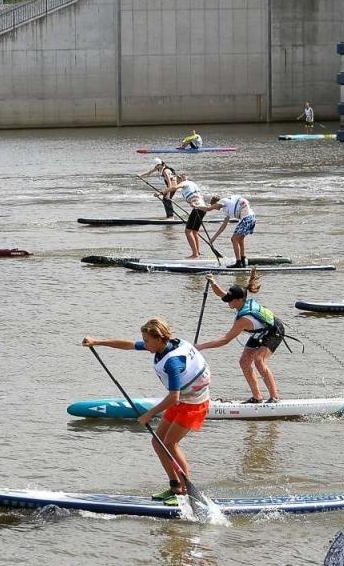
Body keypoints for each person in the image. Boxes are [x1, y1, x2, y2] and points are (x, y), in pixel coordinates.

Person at [81, 319, 210, 503]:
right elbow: (129, 345)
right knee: (158, 442)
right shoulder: (162, 346)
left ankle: (187, 493)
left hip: (194, 404)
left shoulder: (172, 362)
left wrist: (148, 415)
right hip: (183, 400)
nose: (144, 343)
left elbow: (173, 397)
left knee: (170, 444)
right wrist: (97, 342)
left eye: (147, 340)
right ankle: (175, 487)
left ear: (159, 338)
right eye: (144, 340)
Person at [196, 272, 283, 403]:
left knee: (259, 360)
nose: (228, 301)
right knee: (244, 362)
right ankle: (257, 397)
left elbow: (225, 340)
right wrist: (213, 282)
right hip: (260, 332)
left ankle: (274, 397)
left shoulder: (244, 319)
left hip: (274, 331)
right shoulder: (238, 301)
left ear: (239, 300)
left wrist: (201, 346)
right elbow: (220, 293)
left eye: (230, 300)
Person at [211, 193, 258, 266]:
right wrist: (213, 238)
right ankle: (242, 260)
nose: (215, 209)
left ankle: (238, 263)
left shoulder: (224, 202)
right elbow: (223, 226)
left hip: (248, 218)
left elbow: (216, 206)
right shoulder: (227, 209)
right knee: (240, 239)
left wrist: (199, 207)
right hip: (251, 218)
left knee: (234, 239)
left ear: (216, 203)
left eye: (214, 206)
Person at [172, 174, 210, 260]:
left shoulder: (184, 183)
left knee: (188, 231)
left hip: (198, 208)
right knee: (194, 231)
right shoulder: (191, 184)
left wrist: (162, 192)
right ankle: (197, 253)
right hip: (201, 208)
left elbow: (174, 188)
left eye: (176, 180)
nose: (176, 182)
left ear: (180, 179)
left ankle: (195, 254)